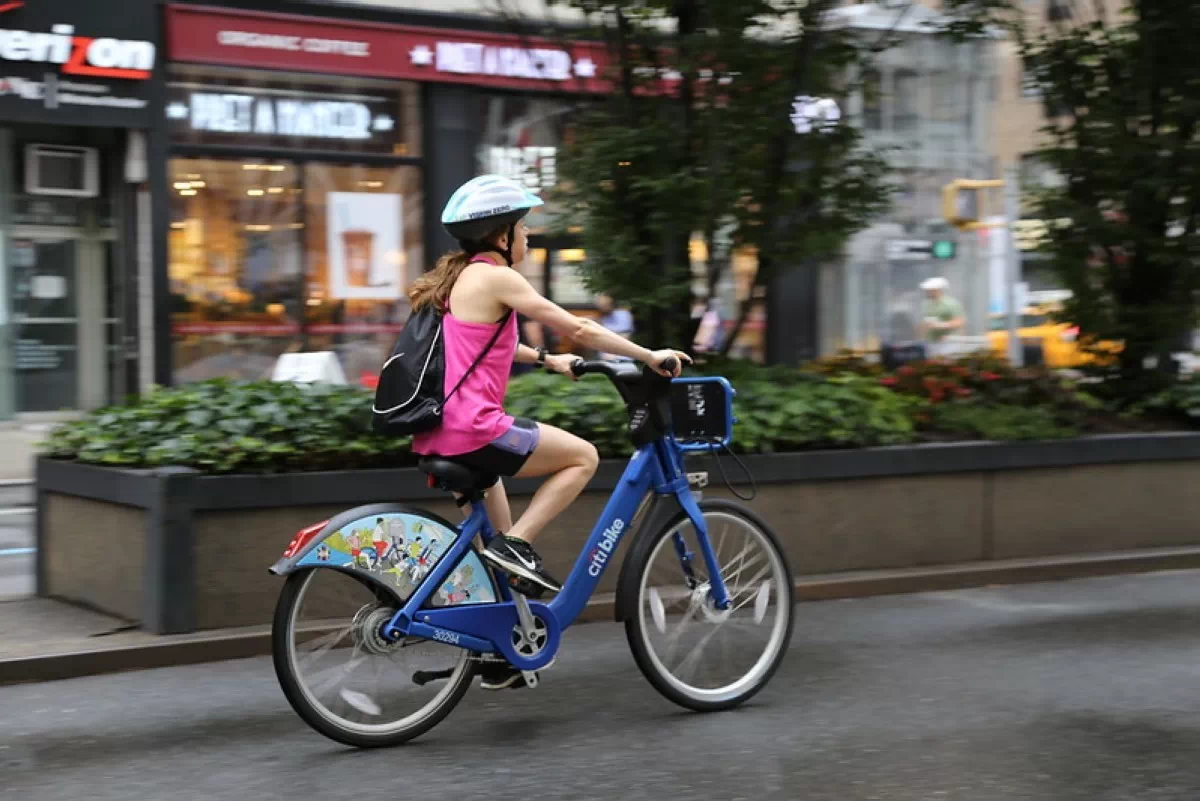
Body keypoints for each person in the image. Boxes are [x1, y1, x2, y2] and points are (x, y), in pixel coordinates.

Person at [407, 175, 690, 689]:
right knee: (581, 456)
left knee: (492, 545)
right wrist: (650, 356)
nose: (529, 237)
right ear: (500, 235)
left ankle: (501, 648)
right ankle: (518, 545)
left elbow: (479, 345)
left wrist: (545, 359)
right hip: (476, 429)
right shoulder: (496, 277)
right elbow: (578, 327)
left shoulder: (461, 280)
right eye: (523, 228)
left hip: (440, 432)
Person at [919, 276, 965, 357]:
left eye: (929, 290)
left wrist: (941, 325)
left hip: (947, 343)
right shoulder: (928, 305)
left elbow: (960, 322)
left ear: (936, 290)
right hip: (932, 342)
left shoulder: (950, 304)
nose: (927, 292)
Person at [594, 293, 635, 360]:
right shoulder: (600, 319)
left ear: (611, 303)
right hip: (605, 357)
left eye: (605, 304)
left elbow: (625, 336)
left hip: (623, 355)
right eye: (600, 305)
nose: (602, 307)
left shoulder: (624, 315)